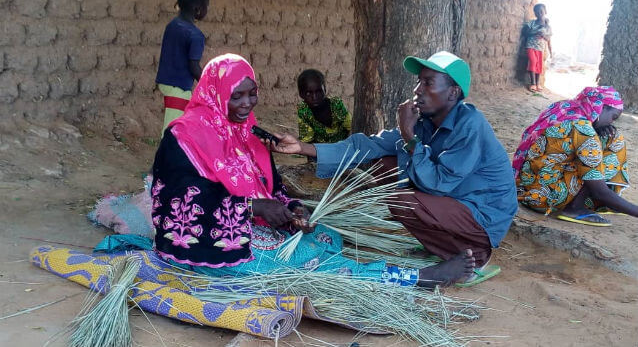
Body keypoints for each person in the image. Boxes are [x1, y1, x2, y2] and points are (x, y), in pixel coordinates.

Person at [151, 53, 469, 288]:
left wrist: (293, 208)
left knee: (325, 238)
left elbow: (271, 188)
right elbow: (176, 205)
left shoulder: (246, 133)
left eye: (252, 93)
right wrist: (253, 208)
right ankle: (416, 278)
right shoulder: (183, 138)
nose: (248, 104)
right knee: (316, 263)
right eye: (237, 96)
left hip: (245, 224)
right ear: (217, 94)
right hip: (204, 242)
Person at [267, 51, 516, 286]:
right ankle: (441, 245)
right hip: (453, 200)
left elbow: (438, 183)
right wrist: (302, 148)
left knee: (401, 200)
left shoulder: (470, 125)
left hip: (483, 215)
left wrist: (408, 135)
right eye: (418, 82)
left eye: (429, 83)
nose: (418, 90)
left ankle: (475, 258)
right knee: (381, 162)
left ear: (453, 92)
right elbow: (368, 145)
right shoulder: (426, 121)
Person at [513, 86, 638, 226]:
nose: (612, 122)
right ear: (600, 108)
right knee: (605, 149)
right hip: (546, 199)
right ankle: (575, 208)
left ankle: (585, 203)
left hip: (528, 188)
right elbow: (599, 192)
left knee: (611, 138)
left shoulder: (565, 108)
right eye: (613, 117)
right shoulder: (584, 131)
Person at [155, 0, 210, 134]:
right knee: (172, 130)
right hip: (178, 88)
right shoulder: (195, 35)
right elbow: (194, 66)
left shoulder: (172, 25)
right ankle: (166, 155)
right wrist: (209, 84)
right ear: (197, 8)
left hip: (166, 82)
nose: (208, 10)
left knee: (179, 124)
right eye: (207, 5)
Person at [297, 69, 352, 143]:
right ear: (301, 94)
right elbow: (307, 140)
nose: (314, 97)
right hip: (320, 150)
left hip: (343, 146)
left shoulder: (336, 105)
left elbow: (351, 127)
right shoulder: (304, 111)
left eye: (319, 91)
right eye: (308, 93)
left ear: (325, 90)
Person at [524, 3, 553, 92]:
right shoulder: (532, 23)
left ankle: (537, 83)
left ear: (545, 12)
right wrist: (535, 32)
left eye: (541, 11)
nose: (539, 13)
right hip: (530, 46)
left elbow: (548, 39)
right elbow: (526, 33)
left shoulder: (548, 27)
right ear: (535, 14)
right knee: (533, 62)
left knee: (539, 65)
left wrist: (550, 51)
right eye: (536, 12)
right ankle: (532, 83)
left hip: (540, 48)